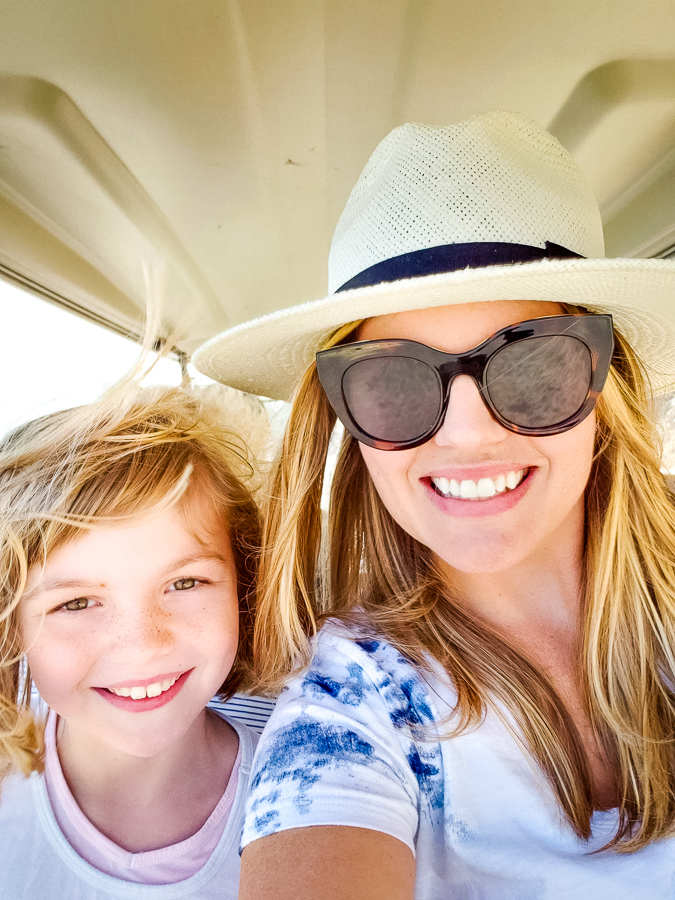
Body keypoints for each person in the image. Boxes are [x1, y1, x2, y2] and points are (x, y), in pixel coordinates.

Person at [193, 111, 675, 898]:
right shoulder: (348, 704)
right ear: (346, 419)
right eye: (390, 379)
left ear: (603, 379)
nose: (466, 434)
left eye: (531, 364)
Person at [0, 382, 262, 898]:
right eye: (75, 603)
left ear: (243, 587)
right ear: (12, 627)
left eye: (184, 583)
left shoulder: (318, 787)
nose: (143, 645)